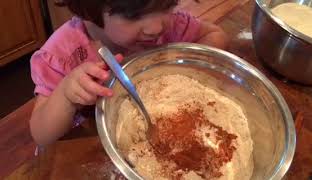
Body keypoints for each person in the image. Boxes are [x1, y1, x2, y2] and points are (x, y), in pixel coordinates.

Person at [29, 0, 229, 147]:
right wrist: (66, 95)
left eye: (169, 4)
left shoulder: (173, 27)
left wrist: (178, 59)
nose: (156, 27)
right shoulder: (62, 55)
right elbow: (40, 135)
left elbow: (216, 35)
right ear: (89, 7)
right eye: (134, 16)